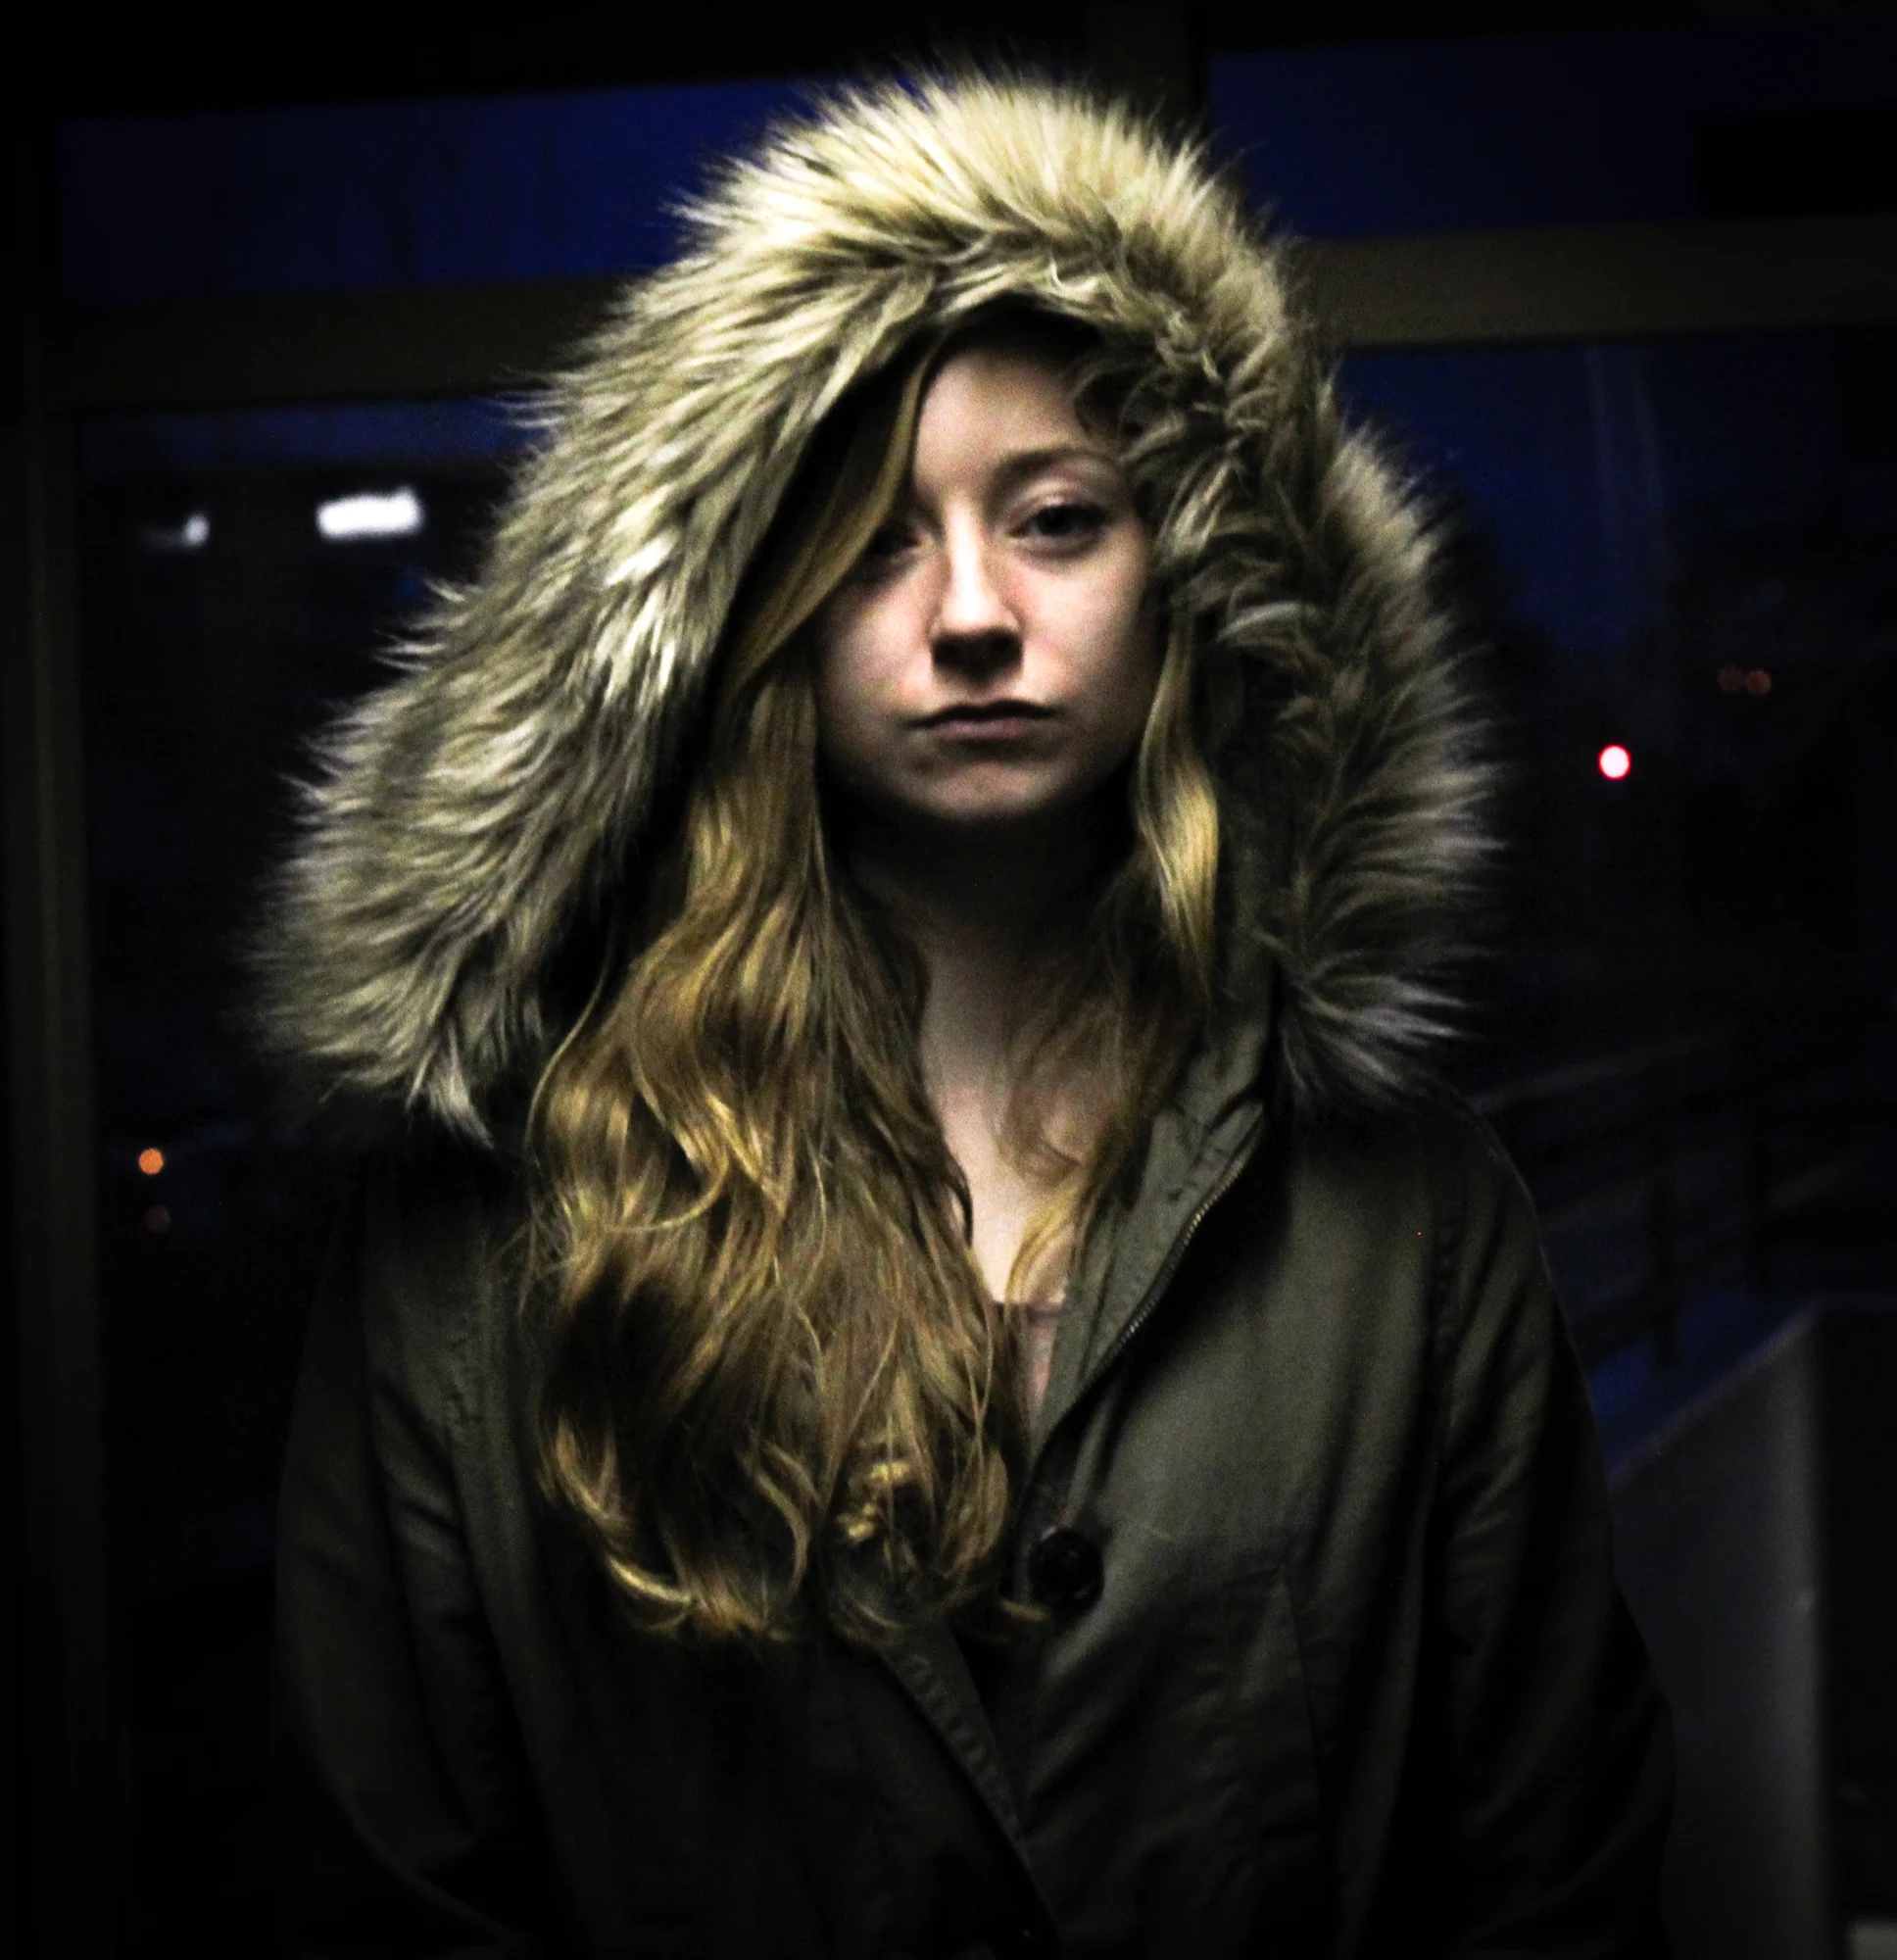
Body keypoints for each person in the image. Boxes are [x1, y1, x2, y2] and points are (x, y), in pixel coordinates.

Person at [264, 74, 1673, 1958]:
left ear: (1194, 583)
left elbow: (1559, 1876)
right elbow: (391, 1885)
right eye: (871, 542)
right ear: (745, 611)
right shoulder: (479, 1245)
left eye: (1060, 518)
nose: (975, 615)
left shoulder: (1408, 1228)